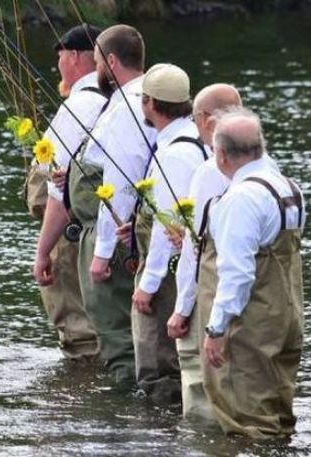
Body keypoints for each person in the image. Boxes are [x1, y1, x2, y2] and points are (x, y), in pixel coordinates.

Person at [198, 108, 305, 438]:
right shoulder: (289, 187)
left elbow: (237, 274)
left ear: (221, 154)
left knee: (247, 422)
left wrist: (216, 329)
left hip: (250, 325)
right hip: (286, 317)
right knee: (278, 415)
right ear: (260, 147)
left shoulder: (241, 198)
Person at [69, 24, 156, 387]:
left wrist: (103, 252)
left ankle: (124, 425)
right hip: (135, 232)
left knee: (118, 335)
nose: (96, 71)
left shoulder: (126, 108)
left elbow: (119, 185)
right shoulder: (144, 99)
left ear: (112, 61)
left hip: (119, 236)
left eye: (99, 63)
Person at [123, 63, 206, 403]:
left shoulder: (174, 153)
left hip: (168, 274)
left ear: (150, 104)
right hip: (183, 266)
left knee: (158, 367)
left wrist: (148, 285)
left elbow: (166, 226)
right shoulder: (195, 140)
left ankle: (159, 437)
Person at [165, 83, 242, 419]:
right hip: (250, 296)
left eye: (196, 119)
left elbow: (195, 250)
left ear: (207, 120)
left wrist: (181, 309)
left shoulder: (211, 171)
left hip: (212, 294)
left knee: (199, 384)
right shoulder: (263, 164)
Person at [32, 24, 106, 360]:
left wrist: (42, 250)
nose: (58, 64)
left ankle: (81, 398)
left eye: (60, 55)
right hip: (112, 231)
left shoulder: (78, 106)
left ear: (74, 56)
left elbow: (57, 190)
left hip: (74, 232)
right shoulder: (125, 101)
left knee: (78, 329)